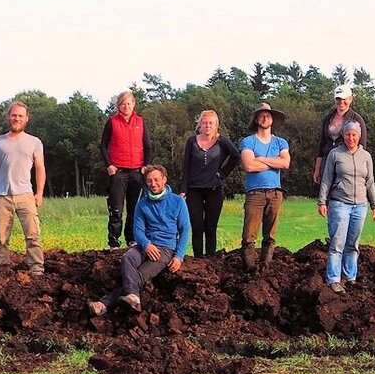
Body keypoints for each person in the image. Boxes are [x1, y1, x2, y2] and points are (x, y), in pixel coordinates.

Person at [88, 165, 189, 313]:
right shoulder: (142, 203)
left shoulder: (178, 202)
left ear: (164, 180)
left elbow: (185, 229)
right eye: (149, 181)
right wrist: (146, 244)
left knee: (138, 275)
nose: (153, 184)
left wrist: (179, 256)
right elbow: (138, 230)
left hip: (165, 249)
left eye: (156, 180)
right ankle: (134, 297)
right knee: (127, 258)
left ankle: (104, 304)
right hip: (144, 245)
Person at [317, 121, 375, 292]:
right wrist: (322, 201)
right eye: (348, 134)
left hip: (360, 206)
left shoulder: (366, 156)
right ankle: (334, 279)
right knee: (337, 244)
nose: (351, 138)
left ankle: (350, 277)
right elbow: (327, 179)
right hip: (339, 204)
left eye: (354, 135)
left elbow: (370, 182)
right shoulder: (334, 154)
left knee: (353, 244)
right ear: (343, 136)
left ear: (359, 136)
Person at [0, 101, 46, 275]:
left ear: (26, 119)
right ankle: (2, 268)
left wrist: (39, 193)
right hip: (2, 195)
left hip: (26, 195)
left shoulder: (34, 142)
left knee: (33, 235)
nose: (16, 118)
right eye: (14, 115)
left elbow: (40, 168)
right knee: (2, 238)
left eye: (20, 116)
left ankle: (36, 269)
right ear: (8, 117)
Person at [180, 110, 241, 258]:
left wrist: (223, 173)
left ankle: (210, 259)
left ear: (216, 125)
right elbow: (186, 166)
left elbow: (236, 156)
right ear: (200, 124)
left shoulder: (222, 141)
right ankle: (198, 259)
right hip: (194, 189)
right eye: (205, 122)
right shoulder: (192, 141)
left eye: (211, 123)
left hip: (214, 188)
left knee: (210, 227)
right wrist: (183, 190)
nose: (207, 126)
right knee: (197, 226)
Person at [239, 102, 291, 270]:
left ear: (272, 120)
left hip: (275, 193)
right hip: (255, 193)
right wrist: (274, 163)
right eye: (261, 115)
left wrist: (260, 158)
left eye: (268, 115)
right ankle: (250, 269)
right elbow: (249, 166)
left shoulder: (280, 142)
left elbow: (285, 163)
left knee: (270, 235)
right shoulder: (248, 141)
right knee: (249, 236)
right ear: (256, 120)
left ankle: (265, 268)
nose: (264, 118)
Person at [101, 90, 151, 248]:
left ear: (133, 104)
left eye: (128, 103)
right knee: (116, 208)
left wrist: (146, 166)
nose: (126, 106)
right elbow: (103, 145)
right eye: (123, 103)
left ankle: (132, 239)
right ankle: (114, 242)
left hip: (137, 172)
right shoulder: (112, 122)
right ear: (119, 106)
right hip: (118, 172)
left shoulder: (140, 122)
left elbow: (148, 146)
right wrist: (109, 165)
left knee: (134, 209)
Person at [313, 84, 367, 186]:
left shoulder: (357, 119)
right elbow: (321, 145)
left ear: (350, 99)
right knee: (325, 194)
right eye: (338, 99)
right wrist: (317, 169)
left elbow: (362, 145)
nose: (341, 102)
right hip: (328, 162)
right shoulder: (327, 119)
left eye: (344, 99)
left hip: (346, 164)